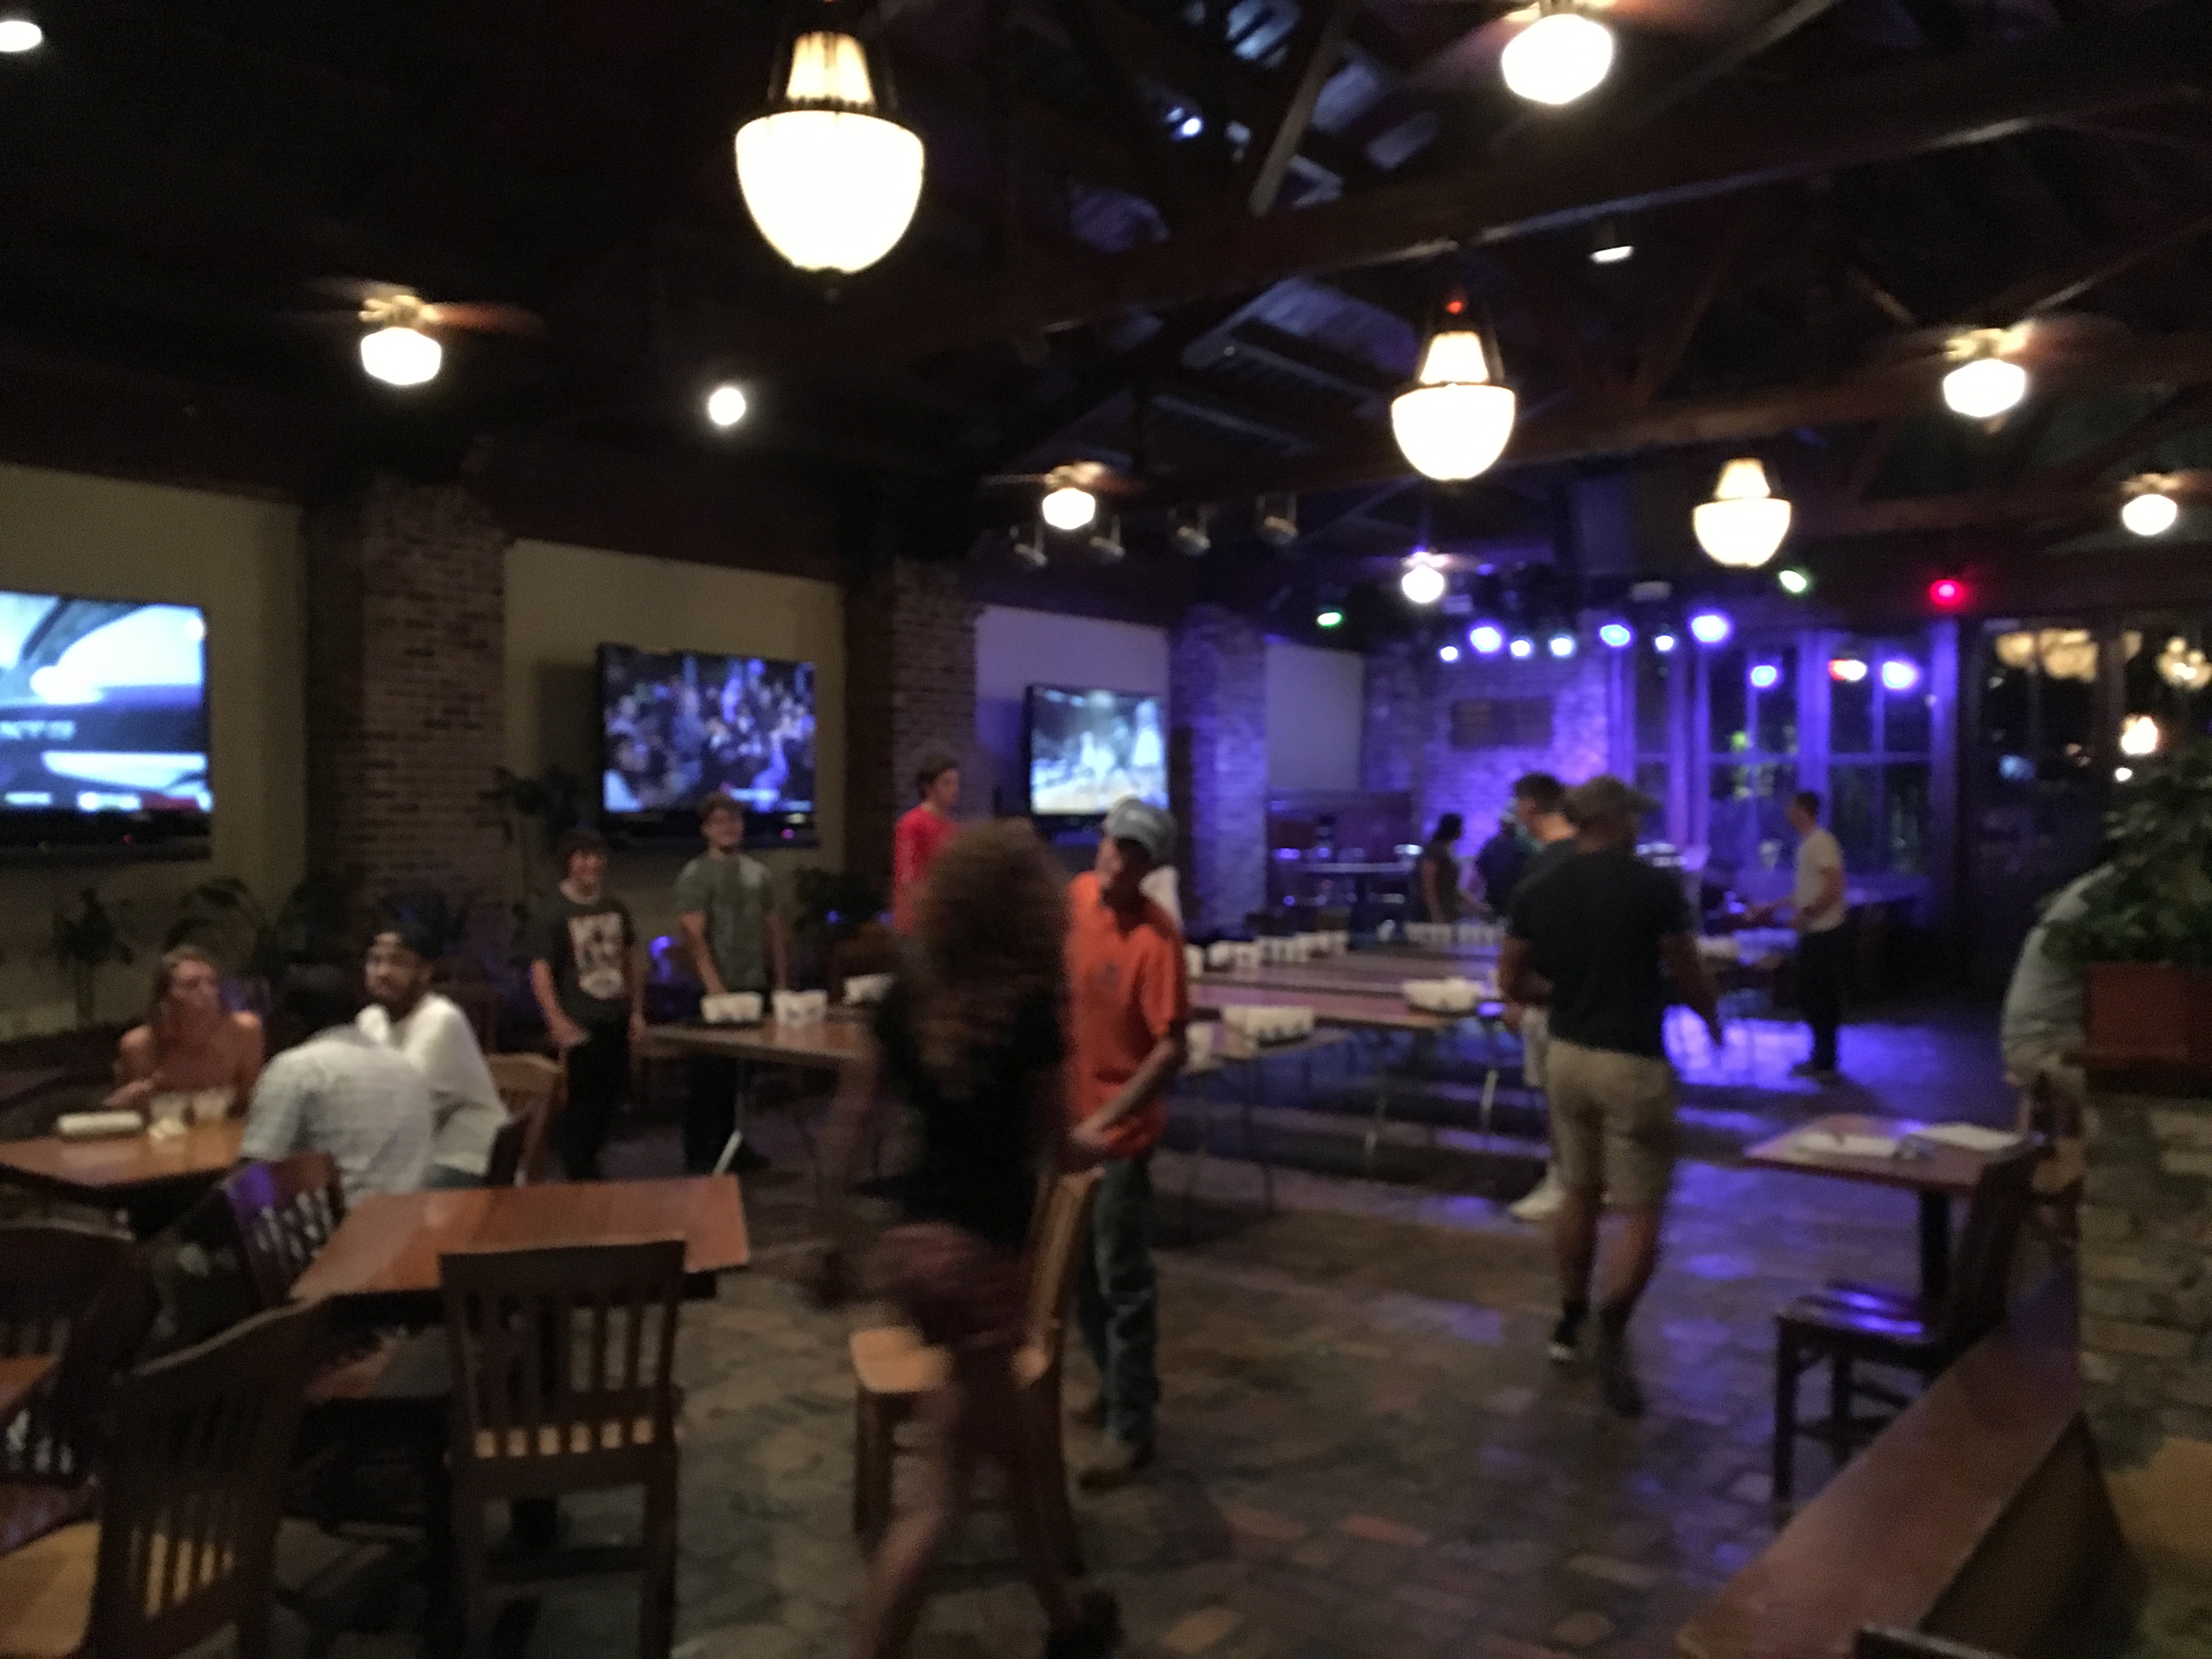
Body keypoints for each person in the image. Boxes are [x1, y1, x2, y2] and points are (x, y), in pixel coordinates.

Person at [814, 822, 1121, 1659]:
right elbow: (1061, 1147)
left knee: (1008, 1448)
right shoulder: (1028, 1010)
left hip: (915, 1253)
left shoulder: (906, 996)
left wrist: (831, 1239)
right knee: (940, 1498)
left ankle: (1066, 1622)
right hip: (985, 1263)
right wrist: (1110, 1136)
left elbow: (847, 1131)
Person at [1500, 776, 1724, 1418]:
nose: (1638, 826)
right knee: (1641, 1208)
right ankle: (1614, 1323)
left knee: (1578, 1191)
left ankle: (1569, 1319)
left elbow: (1511, 976)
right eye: (1633, 815)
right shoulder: (1651, 886)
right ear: (1617, 819)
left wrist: (1557, 993)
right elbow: (1686, 968)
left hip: (1567, 1055)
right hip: (1631, 1057)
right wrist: (1711, 1017)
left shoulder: (1541, 886)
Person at [1065, 797, 1189, 1486]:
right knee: (1077, 1271)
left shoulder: (1156, 939)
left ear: (1150, 866)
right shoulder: (1077, 899)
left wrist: (1109, 1119)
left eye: (1136, 854)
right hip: (1070, 1125)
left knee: (1122, 1280)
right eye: (1116, 844)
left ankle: (1132, 1426)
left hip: (1117, 1135)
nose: (1119, 861)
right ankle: (1117, 1382)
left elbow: (1170, 1047)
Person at [241, 964, 433, 1201]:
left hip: (341, 1222)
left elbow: (255, 1171)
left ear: (292, 1019)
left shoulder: (297, 1068)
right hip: (411, 1218)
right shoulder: (405, 1066)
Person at [675, 792, 790, 1174]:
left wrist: (780, 982)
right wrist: (714, 988)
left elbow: (773, 930)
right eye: (721, 821)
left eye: (735, 820)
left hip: (751, 982)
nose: (729, 828)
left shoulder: (759, 875)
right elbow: (694, 935)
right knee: (709, 1076)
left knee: (740, 1076)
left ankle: (733, 1145)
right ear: (707, 829)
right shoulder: (695, 875)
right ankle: (699, 1155)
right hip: (714, 990)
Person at [527, 828, 645, 1181]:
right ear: (569, 862)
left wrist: (637, 1011)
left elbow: (631, 960)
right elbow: (541, 970)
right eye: (583, 857)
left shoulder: (615, 908)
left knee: (610, 1098)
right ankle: (577, 1172)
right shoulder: (552, 911)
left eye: (596, 857)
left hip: (615, 1016)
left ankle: (591, 1164)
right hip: (579, 1020)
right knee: (581, 1102)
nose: (591, 864)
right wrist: (555, 1019)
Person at [358, 918, 508, 1189]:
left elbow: (406, 1107)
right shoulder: (369, 1020)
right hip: (411, 1155)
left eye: (397, 962)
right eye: (374, 961)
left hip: (463, 1159)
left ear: (424, 972)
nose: (382, 972)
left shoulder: (441, 1019)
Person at [1498, 773, 1581, 1225]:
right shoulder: (1591, 857)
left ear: (1529, 808)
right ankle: (1591, 1180)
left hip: (1549, 997)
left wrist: (1514, 994)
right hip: (1592, 997)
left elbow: (1523, 944)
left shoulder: (1543, 867)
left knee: (1559, 1101)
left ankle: (1561, 1183)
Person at [1999, 861, 2108, 1201]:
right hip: (2043, 1047)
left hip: (2037, 1040)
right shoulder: (2116, 898)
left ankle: (2038, 1194)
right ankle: (2079, 1197)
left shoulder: (2095, 887)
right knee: (2129, 1100)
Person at [1756, 791, 1848, 1082]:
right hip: (1813, 931)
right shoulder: (1807, 844)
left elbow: (1834, 888)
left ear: (1802, 811)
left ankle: (1826, 1062)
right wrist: (1771, 907)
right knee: (1812, 996)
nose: (1787, 813)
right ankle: (1821, 1058)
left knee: (1820, 997)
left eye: (1791, 808)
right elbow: (1805, 891)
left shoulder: (1821, 842)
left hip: (1824, 933)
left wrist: (1806, 915)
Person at [108, 946, 264, 1116]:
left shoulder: (243, 1032)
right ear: (165, 998)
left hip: (225, 1127)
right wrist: (146, 1089)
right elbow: (119, 1112)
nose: (206, 993)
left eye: (212, 983)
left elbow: (254, 1101)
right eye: (191, 985)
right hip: (162, 1128)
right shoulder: (139, 1045)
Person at [892, 754, 962, 933]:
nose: (955, 789)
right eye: (947, 783)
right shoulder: (911, 824)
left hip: (942, 919)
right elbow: (907, 876)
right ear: (928, 788)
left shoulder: (951, 827)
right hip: (916, 920)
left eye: (956, 783)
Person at [1417, 813, 1476, 925]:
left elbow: (1450, 885)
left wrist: (1473, 904)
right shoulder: (1435, 851)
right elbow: (1429, 883)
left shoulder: (1448, 851)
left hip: (1447, 911)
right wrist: (1435, 913)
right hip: (1430, 915)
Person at [1472, 811, 1532, 916]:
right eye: (1504, 823)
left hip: (1515, 895)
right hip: (1493, 895)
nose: (1506, 826)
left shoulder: (1524, 844)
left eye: (1509, 824)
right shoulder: (1492, 845)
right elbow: (1480, 866)